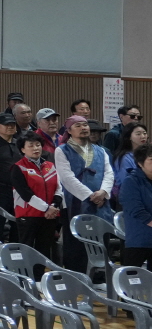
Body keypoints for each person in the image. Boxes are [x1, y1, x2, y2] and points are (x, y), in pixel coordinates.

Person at [55, 116, 113, 272]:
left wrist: (102, 192)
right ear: (69, 131)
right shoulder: (61, 150)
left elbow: (109, 173)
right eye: (78, 125)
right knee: (76, 242)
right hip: (75, 201)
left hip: (101, 201)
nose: (84, 128)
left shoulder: (100, 150)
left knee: (101, 239)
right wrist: (90, 196)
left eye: (85, 125)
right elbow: (66, 178)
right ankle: (76, 275)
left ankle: (99, 276)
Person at [9, 131, 61, 258]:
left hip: (49, 216)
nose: (35, 148)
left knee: (43, 251)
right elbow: (26, 194)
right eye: (31, 145)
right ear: (23, 149)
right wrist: (46, 208)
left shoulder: (50, 165)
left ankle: (39, 276)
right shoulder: (18, 167)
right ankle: (24, 277)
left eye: (38, 145)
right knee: (26, 250)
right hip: (28, 216)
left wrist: (54, 206)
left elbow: (59, 188)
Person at [119, 144, 152, 268]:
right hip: (139, 239)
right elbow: (135, 209)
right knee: (132, 279)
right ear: (140, 163)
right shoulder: (131, 181)